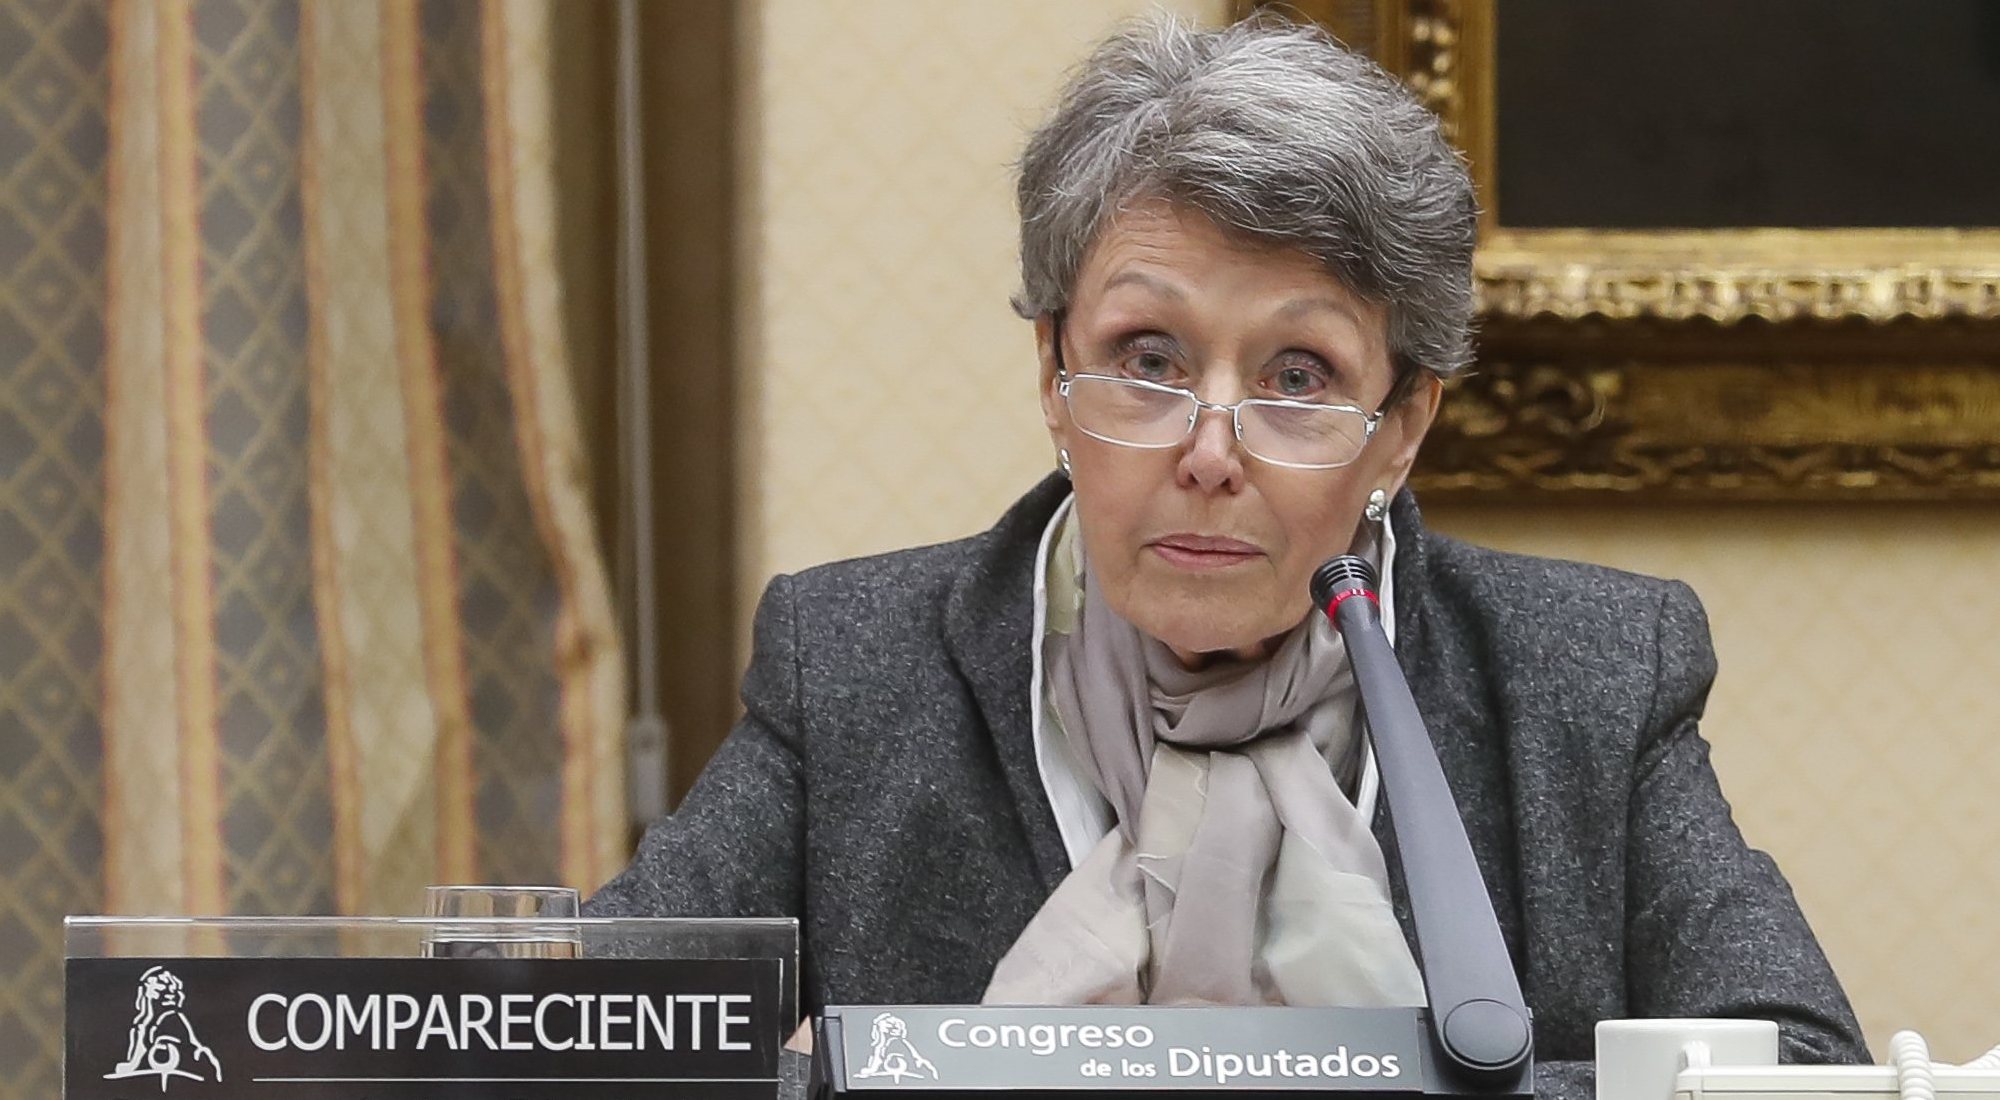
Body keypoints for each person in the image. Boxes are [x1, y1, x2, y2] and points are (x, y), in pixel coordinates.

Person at [585, 14, 1867, 1097]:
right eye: (1147, 360)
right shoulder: (854, 663)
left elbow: (1805, 1070)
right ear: (1052, 370)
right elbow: (589, 1044)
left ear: (1400, 427)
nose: (1209, 449)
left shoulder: (1587, 676)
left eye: (1296, 376)